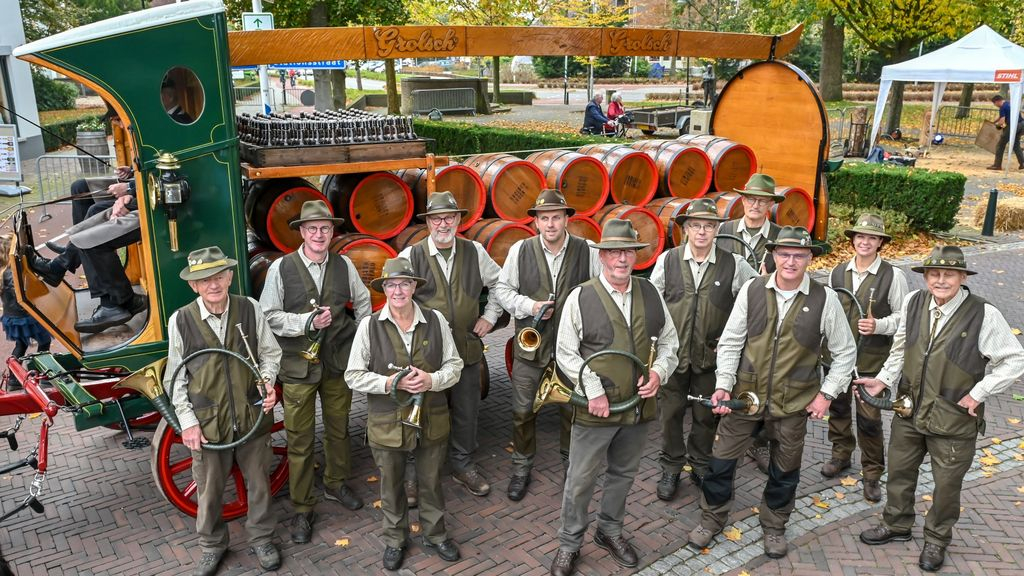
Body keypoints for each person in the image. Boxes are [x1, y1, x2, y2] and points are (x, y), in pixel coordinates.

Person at [687, 226, 857, 559]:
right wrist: (723, 384)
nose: (791, 261)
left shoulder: (826, 299)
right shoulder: (752, 290)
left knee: (784, 471)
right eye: (784, 254)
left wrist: (826, 393)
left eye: (799, 255)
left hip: (793, 404)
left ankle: (775, 525)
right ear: (774, 255)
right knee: (720, 464)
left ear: (810, 258)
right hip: (744, 400)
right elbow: (732, 341)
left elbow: (845, 352)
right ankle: (711, 519)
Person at [856, 246, 1024, 572]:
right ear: (925, 276)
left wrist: (979, 392)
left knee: (946, 485)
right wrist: (883, 380)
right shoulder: (914, 302)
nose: (941, 280)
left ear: (962, 277)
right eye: (934, 273)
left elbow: (1015, 359)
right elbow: (902, 346)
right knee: (900, 473)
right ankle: (896, 524)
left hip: (954, 417)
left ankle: (937, 538)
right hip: (909, 409)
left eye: (949, 274)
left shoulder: (982, 314)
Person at [549, 219, 679, 576]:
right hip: (596, 410)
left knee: (623, 474)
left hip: (638, 408)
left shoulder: (650, 292)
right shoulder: (582, 296)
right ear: (602, 256)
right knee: (580, 479)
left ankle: (610, 531)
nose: (622, 259)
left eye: (628, 252)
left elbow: (670, 341)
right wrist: (593, 390)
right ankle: (569, 543)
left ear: (635, 256)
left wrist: (658, 373)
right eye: (615, 252)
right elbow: (566, 353)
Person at [259, 200, 372, 544]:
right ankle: (303, 507)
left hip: (337, 362)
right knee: (300, 439)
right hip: (297, 365)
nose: (319, 234)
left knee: (339, 430)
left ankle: (337, 484)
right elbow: (268, 314)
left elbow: (364, 301)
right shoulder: (281, 268)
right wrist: (304, 322)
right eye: (312, 229)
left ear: (332, 231)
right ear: (302, 232)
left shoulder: (345, 264)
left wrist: (363, 340)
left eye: (324, 228)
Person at [166, 246, 282, 576]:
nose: (213, 284)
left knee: (259, 483)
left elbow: (270, 355)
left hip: (251, 415)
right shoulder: (181, 320)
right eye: (204, 280)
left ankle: (262, 538)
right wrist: (187, 423)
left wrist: (268, 381)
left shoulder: (250, 308)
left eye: (218, 276)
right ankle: (212, 546)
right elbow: (175, 379)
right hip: (208, 422)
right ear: (194, 285)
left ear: (229, 276)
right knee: (209, 490)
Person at [346, 257, 465, 571]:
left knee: (431, 481)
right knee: (391, 485)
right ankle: (395, 539)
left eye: (404, 283)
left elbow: (455, 365)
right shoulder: (369, 325)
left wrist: (432, 380)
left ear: (414, 286)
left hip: (432, 415)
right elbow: (353, 375)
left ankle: (435, 534)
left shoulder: (436, 319)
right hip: (387, 420)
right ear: (384, 289)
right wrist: (388, 383)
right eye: (391, 284)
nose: (398, 290)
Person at [492, 189, 601, 502]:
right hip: (531, 347)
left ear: (567, 218)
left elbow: (600, 291)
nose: (550, 224)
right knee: (521, 411)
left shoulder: (588, 250)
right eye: (544, 218)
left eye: (556, 217)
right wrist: (530, 306)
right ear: (536, 222)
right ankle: (522, 465)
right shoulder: (519, 250)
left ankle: (570, 465)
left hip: (572, 350)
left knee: (573, 412)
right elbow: (503, 290)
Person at [648, 198, 757, 500]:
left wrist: (738, 334)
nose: (701, 232)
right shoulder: (668, 260)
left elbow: (757, 296)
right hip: (672, 357)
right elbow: (652, 302)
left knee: (705, 415)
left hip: (712, 356)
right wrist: (656, 338)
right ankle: (671, 466)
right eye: (696, 225)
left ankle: (699, 463)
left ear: (716, 230)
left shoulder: (733, 264)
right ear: (685, 230)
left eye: (708, 226)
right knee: (669, 414)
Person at [397, 191, 502, 500]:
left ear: (458, 219)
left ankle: (462, 464)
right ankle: (415, 472)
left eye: (449, 217)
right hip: (427, 353)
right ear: (428, 222)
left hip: (465, 346)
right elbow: (398, 301)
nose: (443, 223)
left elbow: (500, 283)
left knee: (467, 410)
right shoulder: (411, 257)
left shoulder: (475, 251)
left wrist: (490, 316)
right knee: (422, 410)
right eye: (436, 218)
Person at [821, 213, 908, 502]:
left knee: (870, 419)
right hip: (839, 359)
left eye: (872, 237)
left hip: (872, 361)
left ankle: (872, 473)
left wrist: (879, 325)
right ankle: (841, 454)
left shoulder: (893, 276)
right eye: (860, 236)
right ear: (853, 239)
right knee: (839, 409)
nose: (865, 241)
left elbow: (904, 319)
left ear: (880, 242)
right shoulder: (837, 272)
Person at [715, 172, 785, 473]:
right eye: (750, 198)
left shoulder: (782, 237)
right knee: (726, 372)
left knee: (760, 377)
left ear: (770, 204)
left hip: (764, 323)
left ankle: (759, 440)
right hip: (725, 317)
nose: (755, 204)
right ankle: (724, 431)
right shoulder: (723, 230)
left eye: (762, 200)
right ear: (742, 200)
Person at [28, 184, 148, 333]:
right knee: (89, 202)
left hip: (150, 202)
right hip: (141, 193)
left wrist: (130, 193)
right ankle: (126, 301)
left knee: (89, 241)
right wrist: (131, 187)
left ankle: (111, 305)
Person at [1, 235, 51, 360]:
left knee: (21, 345)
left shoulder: (2, 271)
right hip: (24, 316)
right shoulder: (10, 272)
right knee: (44, 342)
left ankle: (13, 377)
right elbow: (19, 291)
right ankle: (40, 371)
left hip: (11, 317)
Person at [987, 94, 1024, 171]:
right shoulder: (1009, 103)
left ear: (997, 101)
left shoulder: (1002, 107)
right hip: (1021, 124)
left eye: (994, 104)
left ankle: (997, 165)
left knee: (1000, 145)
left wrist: (998, 127)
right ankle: (1022, 163)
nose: (995, 105)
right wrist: (993, 122)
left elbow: (1002, 121)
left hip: (1012, 126)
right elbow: (1002, 117)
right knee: (1016, 144)